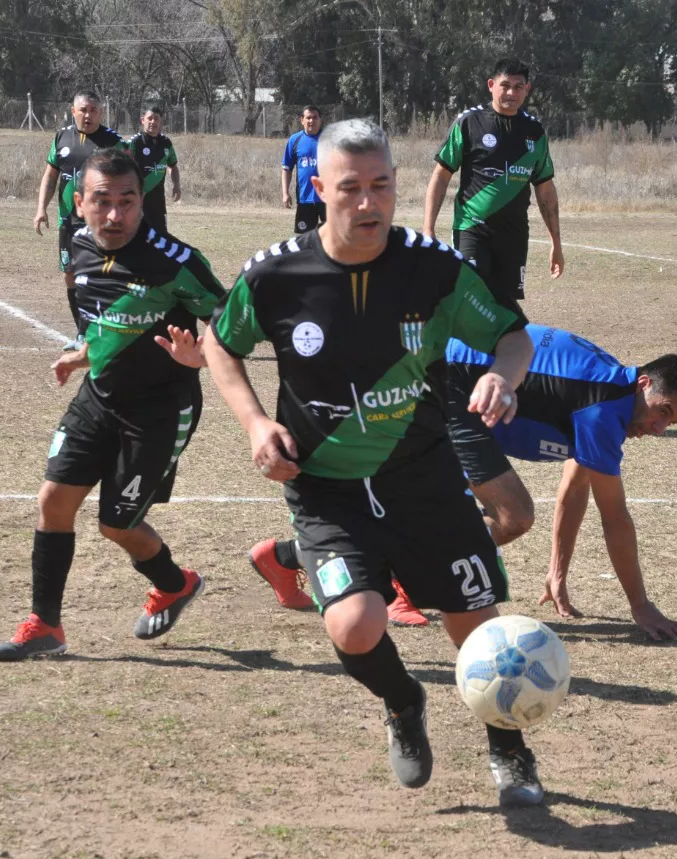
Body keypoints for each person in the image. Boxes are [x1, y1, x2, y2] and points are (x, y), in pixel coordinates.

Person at [202, 119, 545, 807]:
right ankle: (401, 701)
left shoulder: (434, 267)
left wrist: (504, 377)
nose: (369, 204)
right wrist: (254, 422)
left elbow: (513, 337)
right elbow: (220, 343)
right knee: (355, 624)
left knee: (478, 631)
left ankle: (509, 750)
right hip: (326, 490)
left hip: (424, 480)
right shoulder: (275, 274)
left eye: (382, 186)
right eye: (351, 188)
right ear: (317, 186)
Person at [256, 324, 677, 641]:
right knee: (512, 516)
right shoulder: (604, 410)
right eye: (662, 410)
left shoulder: (609, 394)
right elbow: (616, 520)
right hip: (441, 388)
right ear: (644, 383)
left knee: (416, 510)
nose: (658, 427)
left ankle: (285, 557)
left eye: (671, 422)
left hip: (453, 393)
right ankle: (397, 583)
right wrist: (640, 606)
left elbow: (575, 488)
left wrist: (557, 574)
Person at [0, 148, 227, 662]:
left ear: (143, 203)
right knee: (54, 500)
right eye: (102, 201)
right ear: (79, 202)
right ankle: (44, 625)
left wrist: (202, 356)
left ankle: (175, 584)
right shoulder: (77, 247)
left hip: (160, 408)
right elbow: (102, 317)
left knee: (116, 524)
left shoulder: (175, 261)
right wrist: (80, 355)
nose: (115, 214)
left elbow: (232, 322)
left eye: (128, 201)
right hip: (98, 395)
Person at [422, 58, 563, 307]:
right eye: (505, 85)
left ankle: (500, 347)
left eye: (518, 87)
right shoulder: (469, 123)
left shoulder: (534, 132)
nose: (511, 92)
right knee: (471, 301)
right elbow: (441, 176)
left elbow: (546, 190)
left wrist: (556, 243)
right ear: (491, 85)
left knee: (506, 307)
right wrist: (428, 230)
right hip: (472, 228)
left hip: (514, 234)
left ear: (527, 89)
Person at [33, 90, 126, 346]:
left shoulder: (113, 142)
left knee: (103, 275)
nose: (88, 115)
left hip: (101, 223)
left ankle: (109, 330)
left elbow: (131, 178)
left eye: (94, 110)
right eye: (83, 110)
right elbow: (50, 177)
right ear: (73, 111)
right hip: (68, 222)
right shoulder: (62, 137)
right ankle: (82, 333)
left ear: (101, 113)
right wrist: (41, 208)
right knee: (71, 275)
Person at [127, 105, 181, 234]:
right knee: (137, 239)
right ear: (142, 120)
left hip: (158, 203)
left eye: (156, 118)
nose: (153, 122)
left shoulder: (166, 143)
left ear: (161, 121)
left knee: (161, 238)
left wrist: (177, 185)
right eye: (149, 118)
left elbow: (172, 166)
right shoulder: (136, 142)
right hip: (138, 201)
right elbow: (123, 168)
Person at [281, 105, 325, 233]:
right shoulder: (295, 140)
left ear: (320, 120)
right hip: (305, 198)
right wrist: (285, 193)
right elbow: (286, 169)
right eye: (308, 118)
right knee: (305, 241)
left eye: (315, 117)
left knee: (333, 241)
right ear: (302, 120)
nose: (311, 121)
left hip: (328, 199)